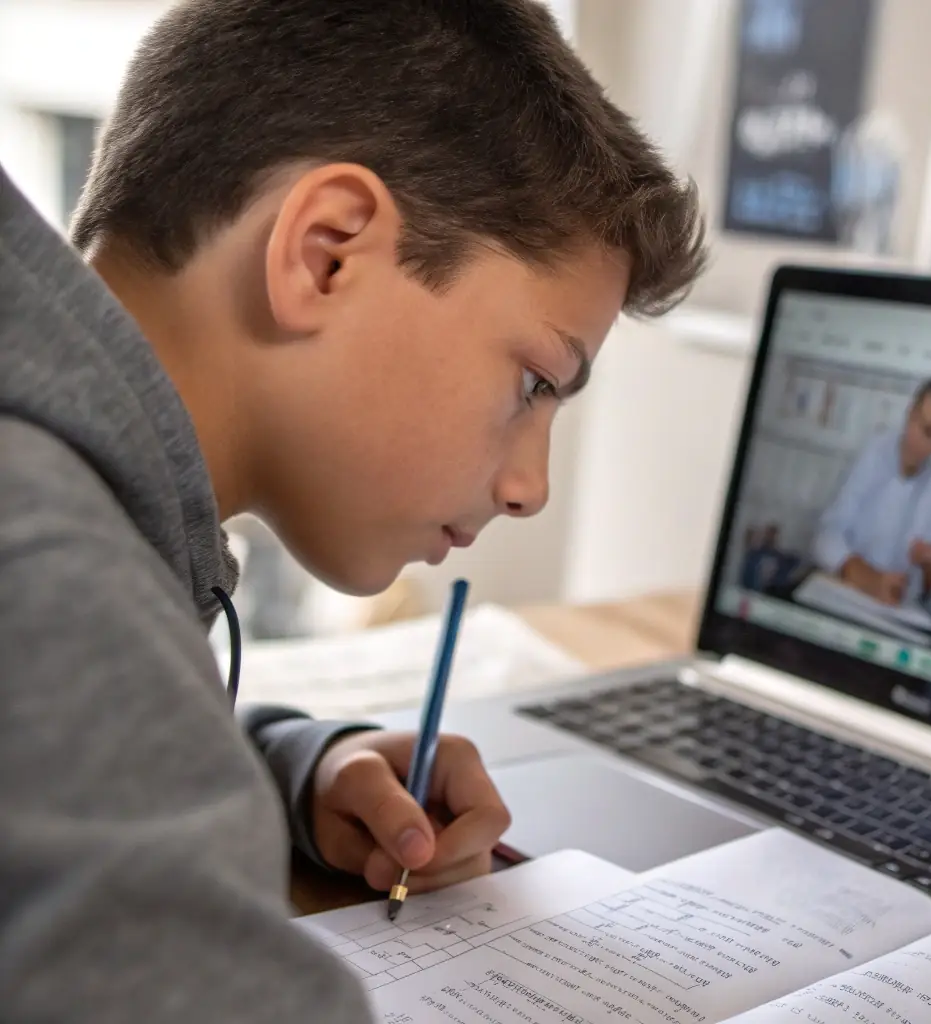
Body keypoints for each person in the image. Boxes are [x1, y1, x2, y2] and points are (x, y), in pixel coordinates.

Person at [0, 1, 705, 1020]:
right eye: (536, 383)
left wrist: (291, 765)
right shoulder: (50, 564)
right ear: (326, 252)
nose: (528, 486)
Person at [811, 378, 931, 605]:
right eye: (917, 422)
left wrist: (930, 567)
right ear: (909, 415)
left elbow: (927, 586)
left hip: (893, 613)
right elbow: (826, 537)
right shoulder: (872, 453)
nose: (918, 438)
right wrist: (871, 580)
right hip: (845, 596)